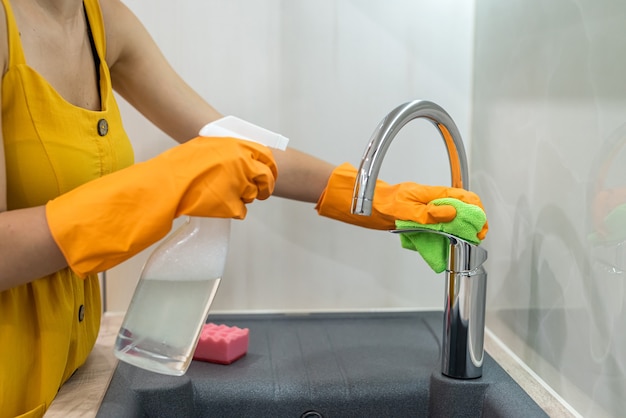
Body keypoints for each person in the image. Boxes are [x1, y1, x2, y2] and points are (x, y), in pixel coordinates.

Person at [0, 0, 488, 416]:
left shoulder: (101, 21)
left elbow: (230, 143)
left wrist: (372, 197)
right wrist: (159, 187)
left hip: (69, 380)